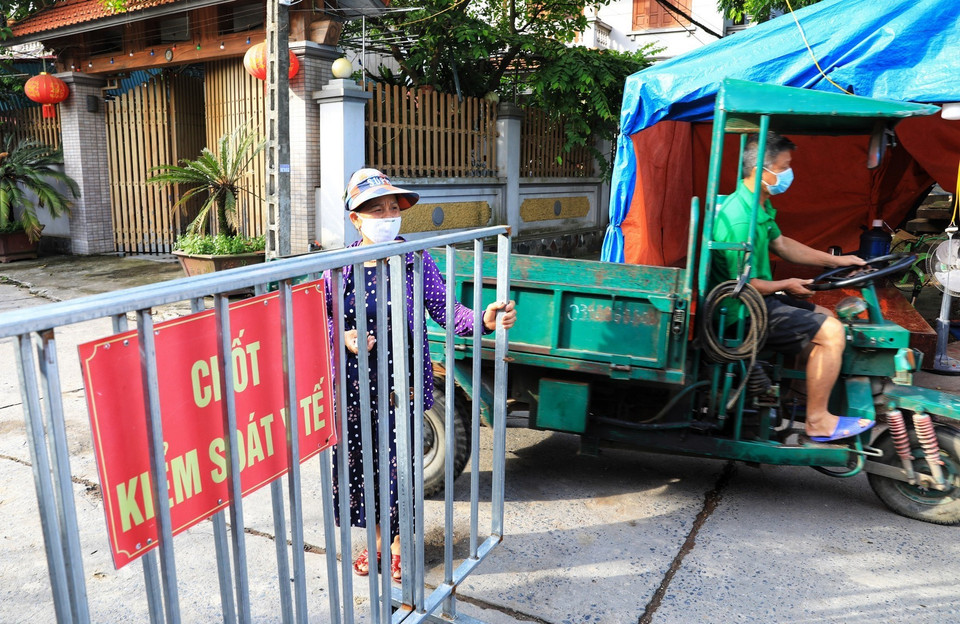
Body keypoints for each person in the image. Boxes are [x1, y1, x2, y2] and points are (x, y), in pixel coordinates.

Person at [324, 168, 517, 581]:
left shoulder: (416, 258)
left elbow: (446, 310)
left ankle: (398, 546)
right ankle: (375, 542)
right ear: (356, 219)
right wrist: (344, 334)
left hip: (405, 389)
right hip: (357, 392)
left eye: (393, 207)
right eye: (375, 209)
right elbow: (320, 320)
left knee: (399, 469)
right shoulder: (338, 267)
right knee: (365, 466)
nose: (388, 215)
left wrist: (483, 317)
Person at [710, 132, 874, 443]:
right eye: (784, 167)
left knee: (827, 316)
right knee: (831, 333)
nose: (788, 174)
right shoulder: (738, 217)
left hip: (756, 301)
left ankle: (795, 397)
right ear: (762, 171)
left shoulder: (758, 206)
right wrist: (786, 284)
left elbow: (783, 244)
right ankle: (818, 421)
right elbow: (742, 286)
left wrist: (839, 261)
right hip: (741, 311)